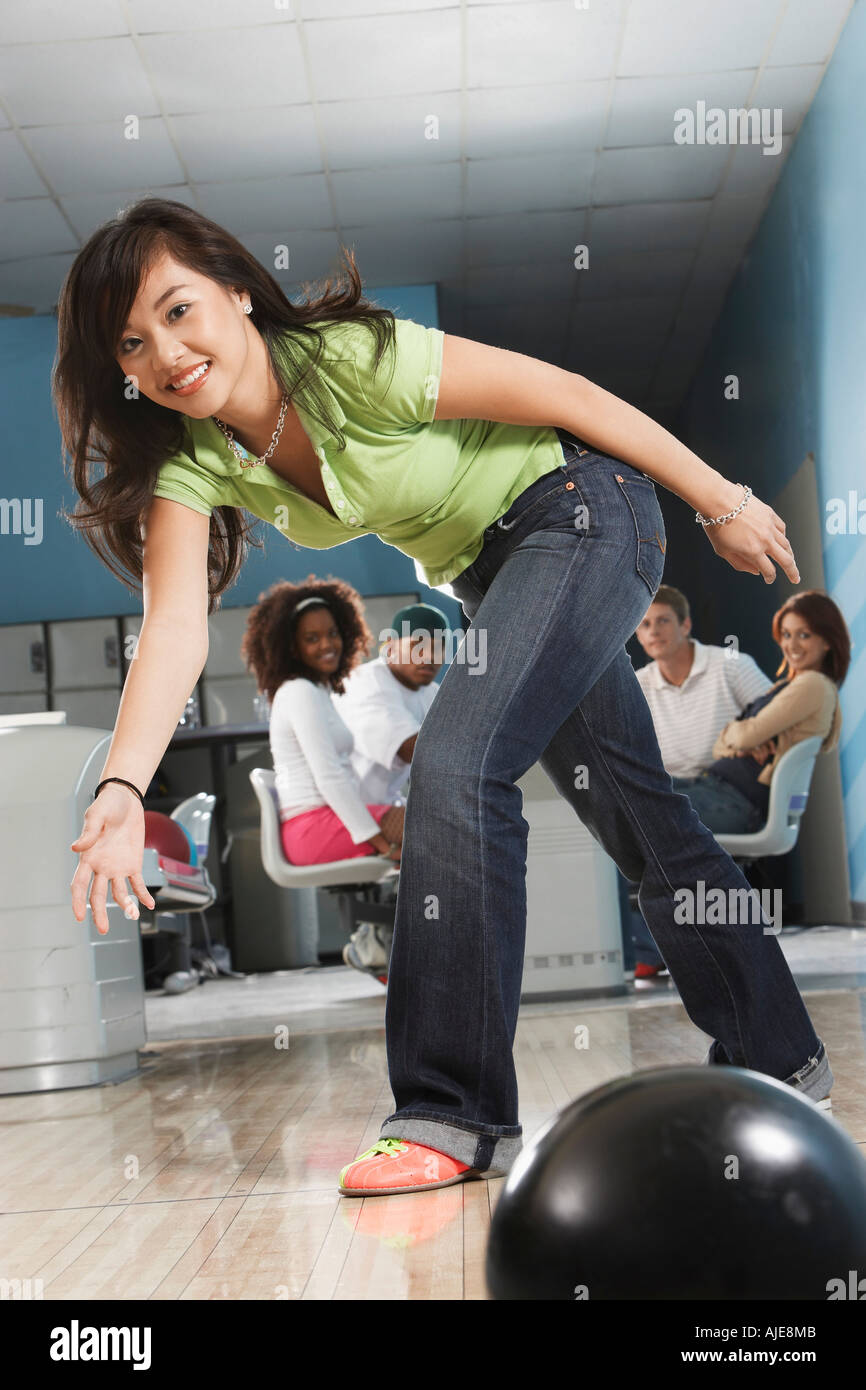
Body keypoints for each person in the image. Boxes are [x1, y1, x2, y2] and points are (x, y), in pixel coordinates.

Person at [57, 197, 832, 1204]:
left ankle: (449, 1111)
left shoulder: (345, 357)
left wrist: (719, 501)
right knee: (642, 816)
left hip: (580, 510)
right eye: (132, 340)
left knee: (459, 769)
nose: (166, 351)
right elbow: (170, 626)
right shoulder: (193, 457)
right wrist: (122, 785)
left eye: (178, 310)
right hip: (496, 573)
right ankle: (781, 1060)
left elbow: (565, 392)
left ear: (237, 291)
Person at [624, 584, 774, 976]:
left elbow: (778, 717)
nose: (653, 631)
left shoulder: (730, 665)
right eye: (644, 625)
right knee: (628, 825)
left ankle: (681, 952)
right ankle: (663, 953)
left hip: (732, 793)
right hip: (678, 793)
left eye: (663, 621)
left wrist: (755, 735)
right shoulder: (637, 686)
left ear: (686, 624)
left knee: (658, 826)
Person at [239, 577, 404, 868]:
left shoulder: (317, 690)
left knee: (438, 827)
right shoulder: (300, 692)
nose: (327, 644)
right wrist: (382, 845)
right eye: (312, 638)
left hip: (329, 821)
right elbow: (328, 776)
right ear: (292, 647)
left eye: (332, 633)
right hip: (313, 828)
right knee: (436, 823)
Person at [672, 590, 847, 832]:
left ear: (827, 640)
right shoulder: (787, 686)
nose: (791, 645)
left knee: (637, 807)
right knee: (630, 790)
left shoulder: (814, 685)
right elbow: (720, 747)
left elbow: (743, 736)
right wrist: (741, 741)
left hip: (735, 803)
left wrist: (741, 738)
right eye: (786, 634)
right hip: (712, 789)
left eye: (804, 635)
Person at [334, 601, 445, 977]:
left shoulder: (426, 690)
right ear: (389, 648)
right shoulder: (367, 684)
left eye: (438, 646)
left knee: (452, 826)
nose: (429, 655)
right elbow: (413, 747)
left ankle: (385, 939)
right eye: (417, 644)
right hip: (343, 816)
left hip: (380, 809)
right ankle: (378, 940)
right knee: (446, 831)